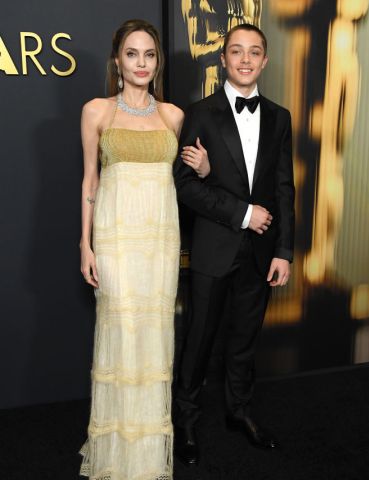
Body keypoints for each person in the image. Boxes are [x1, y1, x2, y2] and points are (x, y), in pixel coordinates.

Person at [78, 19, 208, 480]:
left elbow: (192, 181)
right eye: (132, 54)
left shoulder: (173, 116)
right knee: (120, 333)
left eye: (149, 55)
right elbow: (90, 180)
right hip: (114, 237)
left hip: (159, 241)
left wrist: (205, 167)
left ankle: (148, 456)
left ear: (158, 62)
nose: (141, 63)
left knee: (154, 338)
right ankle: (115, 453)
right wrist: (85, 243)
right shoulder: (97, 110)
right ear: (117, 60)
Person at [173, 23, 295, 465]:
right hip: (213, 248)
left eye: (254, 52)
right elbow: (185, 185)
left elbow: (284, 188)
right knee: (199, 339)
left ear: (265, 61)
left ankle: (239, 413)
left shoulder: (280, 117)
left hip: (262, 252)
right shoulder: (199, 113)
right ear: (223, 59)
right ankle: (185, 422)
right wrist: (242, 213)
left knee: (244, 340)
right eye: (236, 52)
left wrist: (284, 250)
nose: (245, 59)